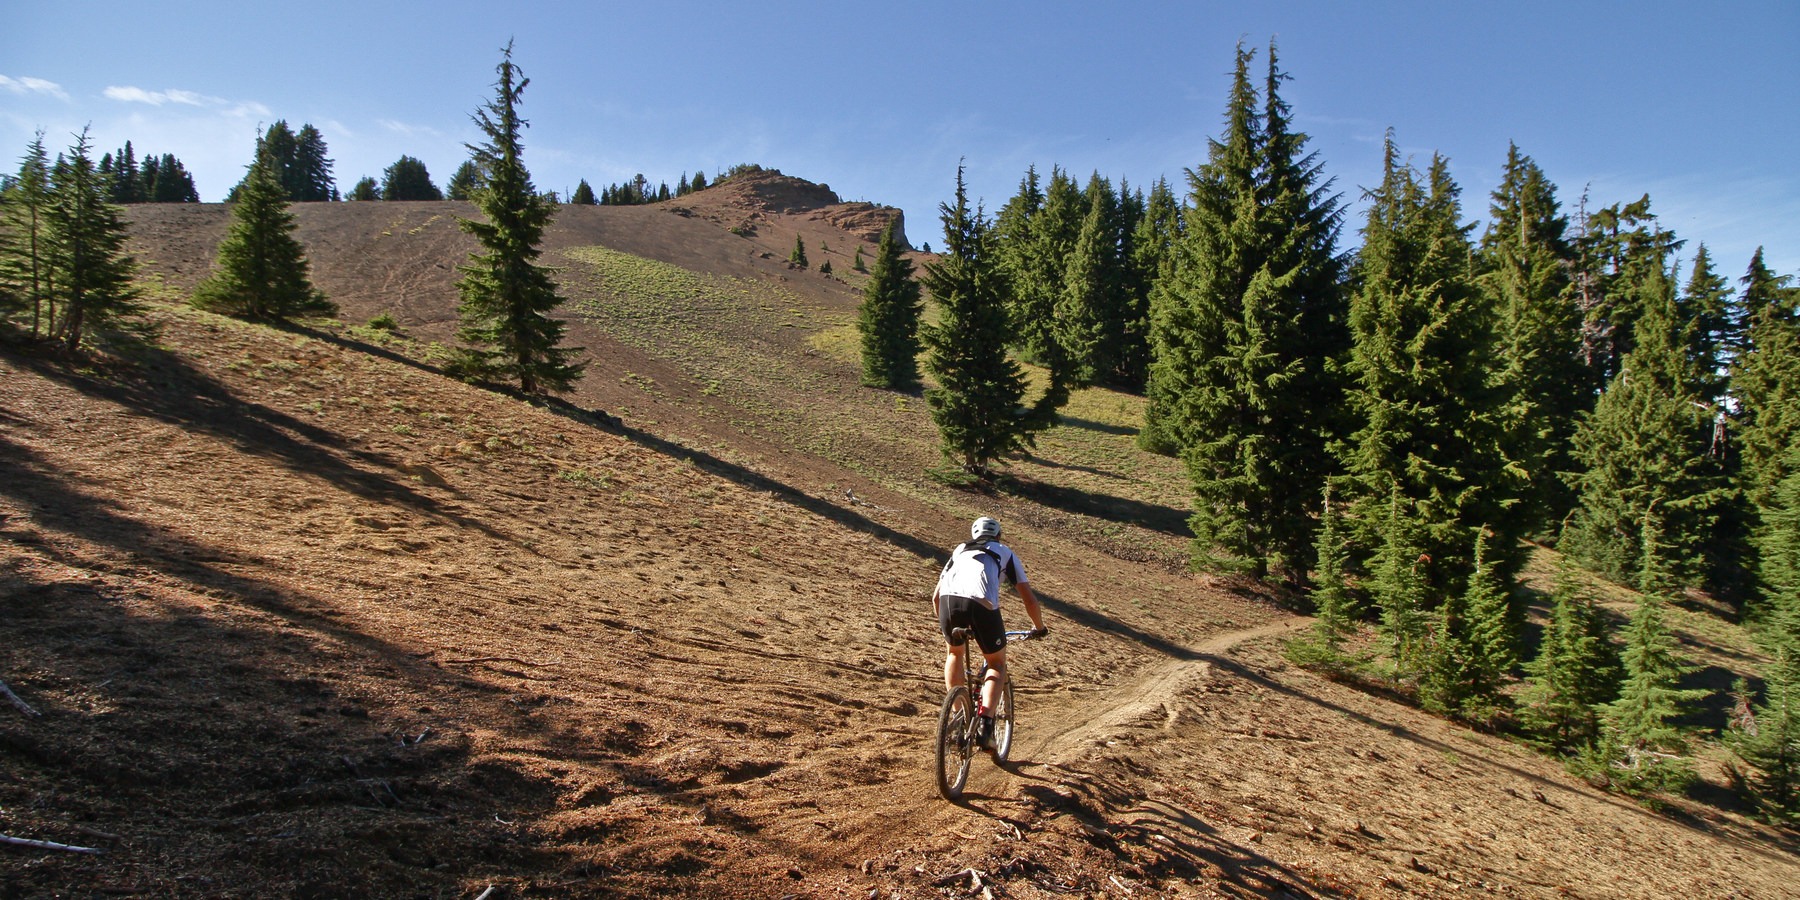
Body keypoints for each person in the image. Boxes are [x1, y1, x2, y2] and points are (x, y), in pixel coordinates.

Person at [931, 516, 1047, 748]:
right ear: (998, 536)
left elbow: (935, 597)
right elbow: (1030, 600)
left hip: (948, 602)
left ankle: (958, 717)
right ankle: (986, 726)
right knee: (996, 663)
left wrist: (946, 625)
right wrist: (1039, 627)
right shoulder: (1005, 552)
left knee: (954, 653)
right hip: (981, 604)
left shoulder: (960, 549)